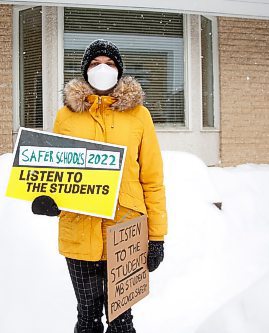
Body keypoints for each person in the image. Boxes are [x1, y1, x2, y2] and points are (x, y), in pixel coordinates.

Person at [32, 39, 167, 333]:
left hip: (126, 230)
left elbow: (153, 180)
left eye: (109, 63)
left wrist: (156, 236)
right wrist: (47, 199)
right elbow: (56, 170)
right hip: (78, 230)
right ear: (85, 71)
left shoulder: (139, 116)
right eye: (95, 64)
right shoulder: (66, 115)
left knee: (121, 320)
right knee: (88, 315)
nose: (102, 69)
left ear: (119, 71)